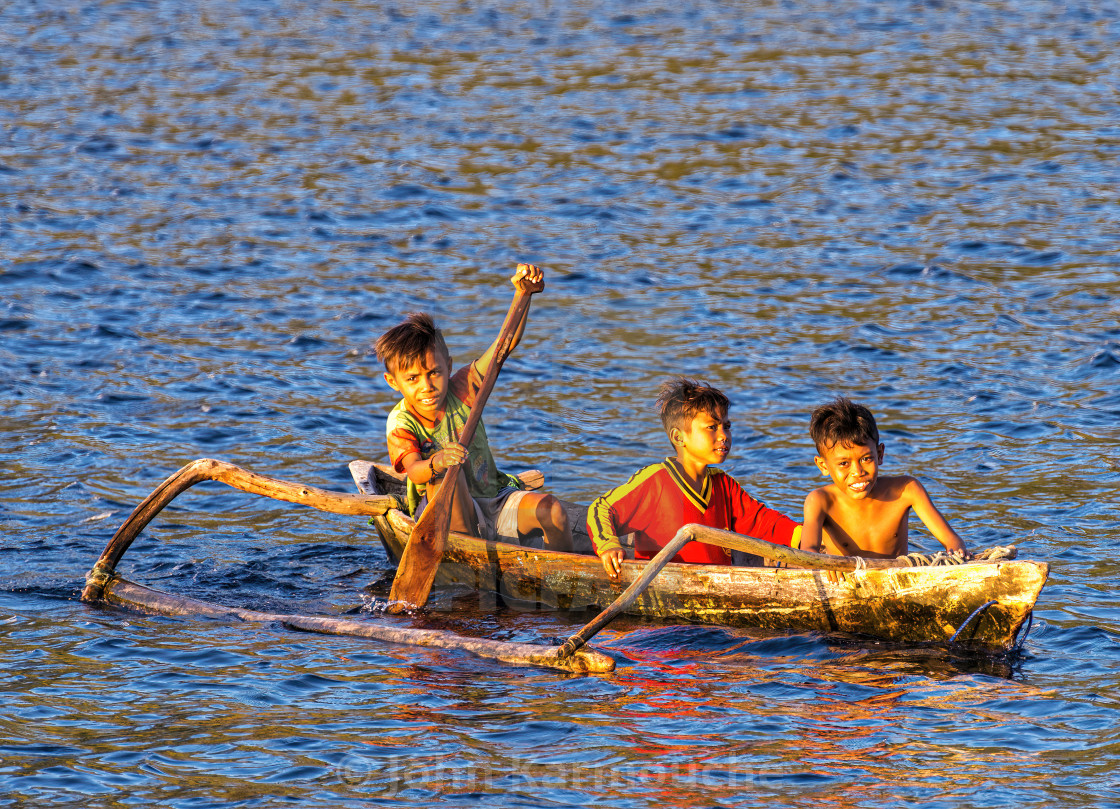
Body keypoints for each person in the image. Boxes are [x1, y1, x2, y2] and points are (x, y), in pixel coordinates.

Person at [374, 263, 572, 552]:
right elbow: (414, 470)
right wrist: (438, 462)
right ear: (393, 382)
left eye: (434, 373)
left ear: (449, 366)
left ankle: (562, 575)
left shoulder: (462, 388)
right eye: (413, 379)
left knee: (552, 510)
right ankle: (474, 559)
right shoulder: (401, 421)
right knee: (442, 480)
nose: (426, 386)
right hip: (445, 517)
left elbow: (503, 349)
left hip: (493, 497)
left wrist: (524, 295)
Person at [587, 377, 802, 580]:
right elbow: (602, 509)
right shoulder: (656, 480)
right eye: (712, 427)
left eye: (726, 426)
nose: (723, 435)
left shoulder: (723, 485)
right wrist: (608, 545)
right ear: (678, 437)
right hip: (664, 590)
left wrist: (808, 534)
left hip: (718, 588)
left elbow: (764, 523)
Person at [801, 397, 969, 559]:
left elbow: (952, 541)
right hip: (842, 583)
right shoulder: (820, 501)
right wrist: (828, 565)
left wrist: (958, 553)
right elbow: (808, 552)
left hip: (897, 581)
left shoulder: (907, 490)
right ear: (823, 466)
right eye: (844, 463)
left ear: (880, 454)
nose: (858, 472)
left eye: (866, 459)